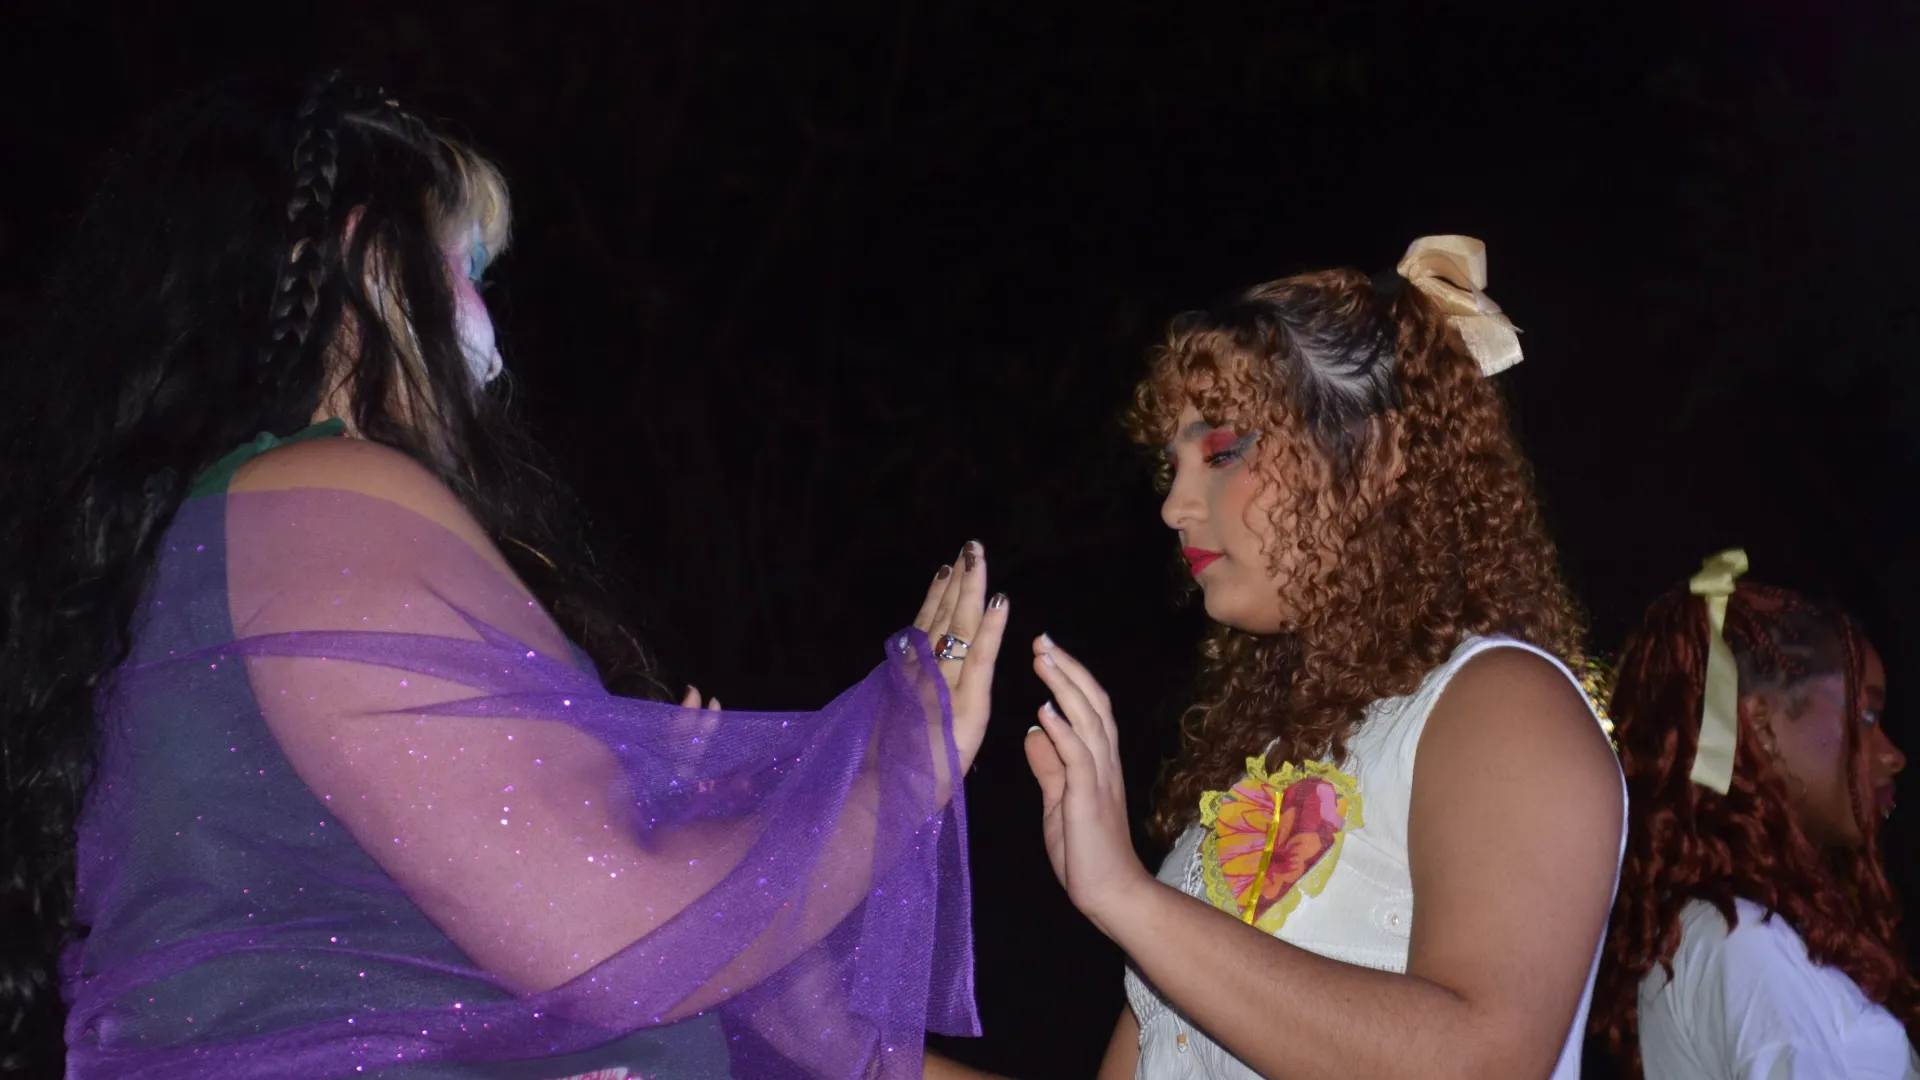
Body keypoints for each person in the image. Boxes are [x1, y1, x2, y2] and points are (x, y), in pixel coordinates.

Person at [0, 71, 1005, 1079]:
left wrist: (692, 825)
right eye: (467, 265)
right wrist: (893, 770)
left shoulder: (247, 529)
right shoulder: (324, 497)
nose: (489, 337)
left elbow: (684, 984)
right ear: (373, 263)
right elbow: (608, 941)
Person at [1019, 238, 1626, 1079]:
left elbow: (1486, 1060)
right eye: (1172, 466)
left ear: (1378, 456)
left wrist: (1126, 896)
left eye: (1223, 450)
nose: (1175, 504)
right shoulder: (1248, 780)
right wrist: (857, 1048)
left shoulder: (1502, 704)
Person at [1590, 555, 1918, 1077]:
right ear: (1763, 727)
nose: (1892, 754)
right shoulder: (1742, 939)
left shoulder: (1732, 930)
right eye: (1867, 714)